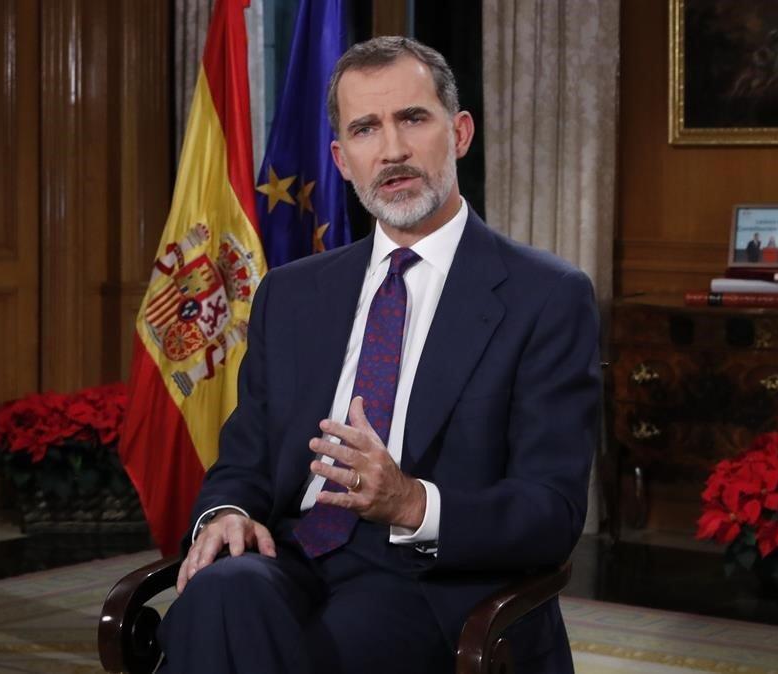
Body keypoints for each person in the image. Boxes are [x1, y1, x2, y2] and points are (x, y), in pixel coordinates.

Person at [155, 36, 600, 674]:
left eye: (412, 119)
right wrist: (224, 513)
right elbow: (244, 458)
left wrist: (411, 501)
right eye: (366, 129)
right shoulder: (291, 292)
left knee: (266, 648)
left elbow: (552, 511)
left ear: (461, 132)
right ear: (341, 158)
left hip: (432, 582)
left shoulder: (546, 296)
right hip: (296, 554)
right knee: (220, 594)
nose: (391, 150)